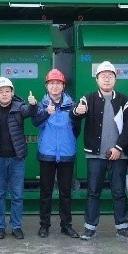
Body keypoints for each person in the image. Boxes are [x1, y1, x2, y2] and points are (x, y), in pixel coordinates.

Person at [71, 61, 128, 242]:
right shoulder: (89, 98)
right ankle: (90, 228)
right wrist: (77, 111)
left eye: (110, 76)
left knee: (119, 192)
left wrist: (119, 148)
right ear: (97, 79)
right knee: (93, 192)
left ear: (115, 79)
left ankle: (123, 228)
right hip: (95, 154)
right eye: (103, 76)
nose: (106, 79)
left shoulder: (124, 100)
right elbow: (75, 114)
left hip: (119, 155)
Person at [0, 76, 36, 240]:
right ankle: (0, 227)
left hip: (17, 158)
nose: (4, 94)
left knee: (17, 195)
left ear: (12, 93)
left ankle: (16, 227)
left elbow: (30, 112)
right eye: (1, 91)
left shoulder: (19, 107)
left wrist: (33, 104)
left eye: (7, 91)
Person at [32, 68, 80, 238]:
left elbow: (77, 128)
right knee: (45, 192)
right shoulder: (41, 105)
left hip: (67, 154)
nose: (55, 86)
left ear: (63, 86)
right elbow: (35, 122)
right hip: (47, 154)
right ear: (47, 86)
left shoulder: (72, 106)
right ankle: (44, 225)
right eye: (51, 83)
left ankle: (66, 225)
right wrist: (47, 113)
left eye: (58, 83)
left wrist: (69, 142)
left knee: (66, 193)